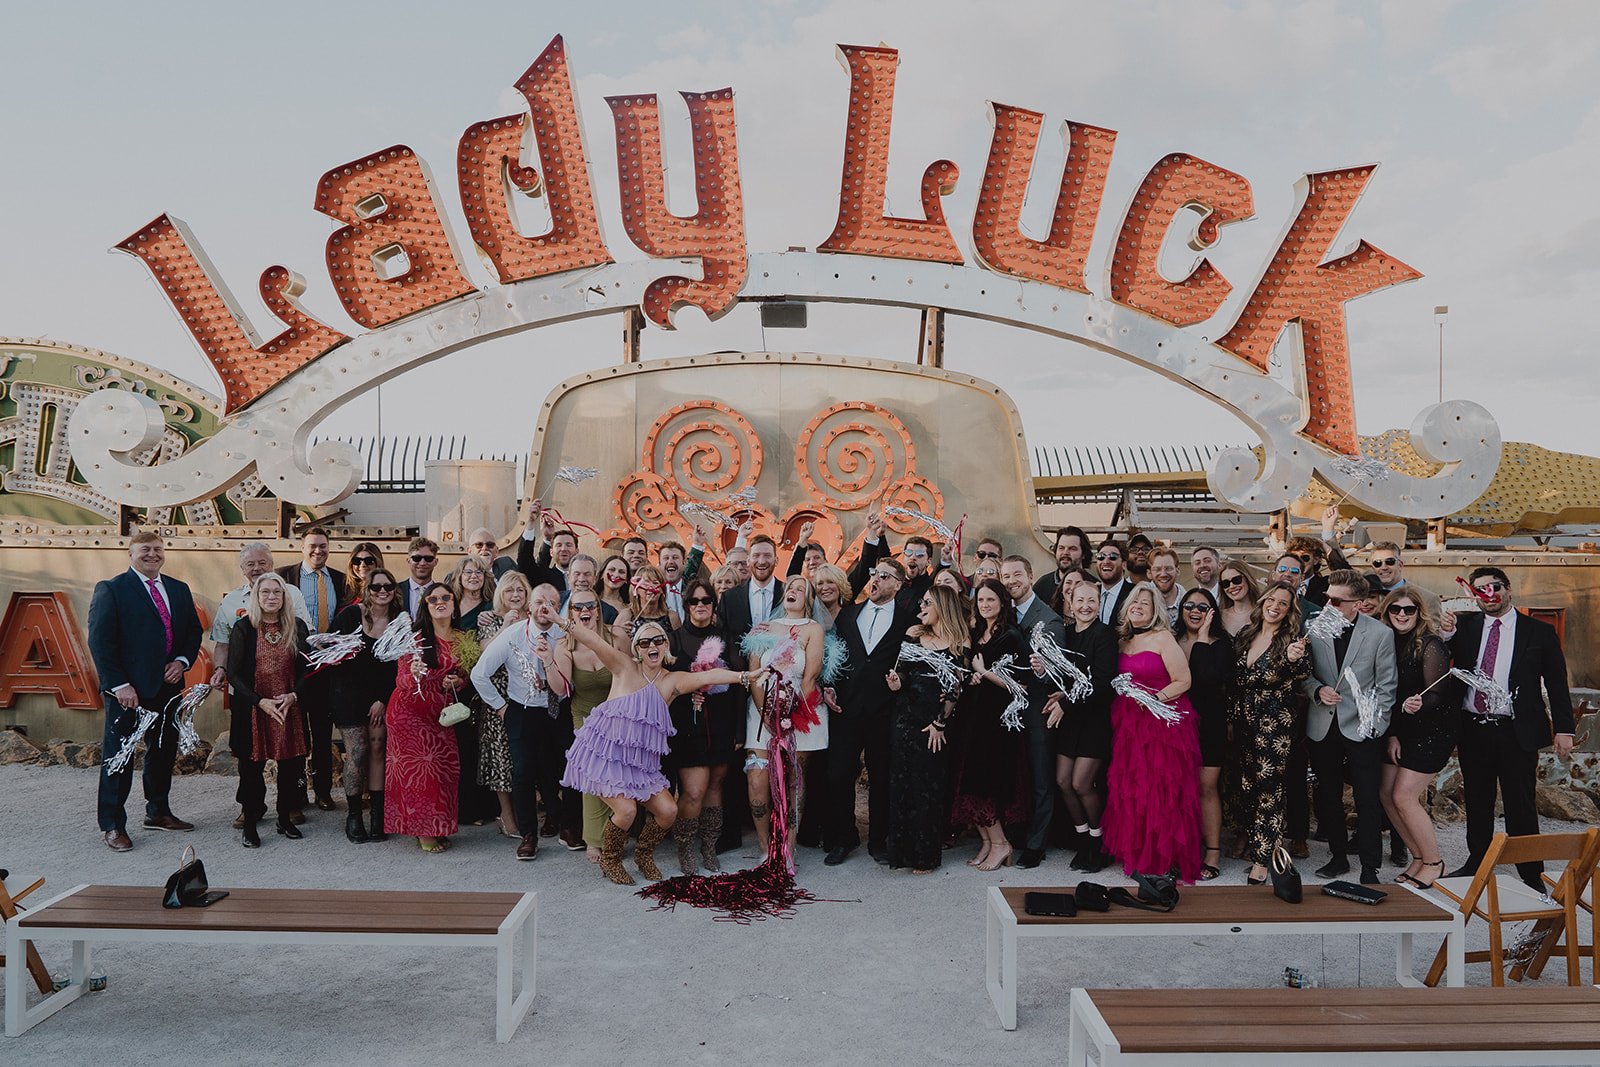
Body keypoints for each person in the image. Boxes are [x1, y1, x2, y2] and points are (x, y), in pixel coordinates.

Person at [562, 619, 759, 885]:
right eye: (644, 642)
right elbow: (594, 641)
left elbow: (707, 676)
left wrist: (744, 677)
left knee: (667, 810)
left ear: (665, 645)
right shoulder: (624, 668)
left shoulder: (672, 681)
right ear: (637, 649)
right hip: (605, 757)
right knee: (627, 811)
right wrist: (560, 621)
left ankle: (644, 855)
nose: (651, 645)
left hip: (641, 765)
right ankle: (611, 860)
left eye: (657, 640)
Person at [1446, 567, 1575, 887]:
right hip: (1473, 726)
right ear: (1473, 595)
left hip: (1515, 729)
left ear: (1509, 589)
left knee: (1521, 802)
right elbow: (1441, 660)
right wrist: (1446, 635)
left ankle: (1531, 871)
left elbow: (1557, 682)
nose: (1489, 594)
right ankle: (1478, 861)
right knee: (1477, 799)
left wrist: (1564, 729)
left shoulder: (1539, 632)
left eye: (1495, 587)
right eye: (1480, 589)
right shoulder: (1462, 627)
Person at [88, 530, 204, 852]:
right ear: (131, 553)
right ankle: (112, 825)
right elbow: (100, 642)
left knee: (163, 751)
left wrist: (181, 661)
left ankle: (158, 812)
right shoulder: (112, 589)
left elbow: (193, 632)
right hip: (128, 692)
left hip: (168, 687)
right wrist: (119, 684)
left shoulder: (178, 589)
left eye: (157, 549)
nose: (152, 554)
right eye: (145, 550)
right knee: (119, 757)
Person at [1302, 569, 1398, 884]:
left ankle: (1370, 867)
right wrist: (1317, 690)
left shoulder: (1380, 634)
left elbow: (1387, 686)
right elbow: (1303, 675)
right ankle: (1338, 857)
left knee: (1367, 798)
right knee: (1328, 796)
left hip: (1363, 727)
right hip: (1322, 724)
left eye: (1337, 600)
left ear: (1357, 604)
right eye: (1327, 597)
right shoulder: (1315, 628)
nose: (1328, 604)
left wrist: (1376, 726)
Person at [1101, 582, 1202, 882]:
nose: (1138, 606)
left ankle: (1165, 856)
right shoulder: (1122, 642)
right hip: (1129, 725)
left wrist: (1153, 701)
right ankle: (1139, 852)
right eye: (1134, 602)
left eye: (1146, 603)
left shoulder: (1163, 638)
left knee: (1163, 791)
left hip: (1163, 724)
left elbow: (1183, 681)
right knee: (1133, 790)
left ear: (1155, 609)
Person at [209, 541, 310, 828]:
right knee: (249, 760)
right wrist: (220, 669)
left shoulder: (292, 596)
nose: (257, 568)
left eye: (262, 563)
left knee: (292, 755)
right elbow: (224, 646)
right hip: (250, 698)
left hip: (287, 696)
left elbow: (305, 649)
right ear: (242, 569)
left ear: (272, 563)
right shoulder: (233, 607)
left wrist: (294, 694)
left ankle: (290, 807)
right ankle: (250, 808)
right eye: (250, 564)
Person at [824, 558, 915, 866]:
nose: (876, 579)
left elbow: (912, 664)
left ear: (897, 585)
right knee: (838, 775)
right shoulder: (848, 616)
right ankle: (845, 837)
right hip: (845, 709)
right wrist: (829, 686)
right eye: (875, 573)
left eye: (885, 576)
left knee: (881, 777)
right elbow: (834, 658)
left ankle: (878, 840)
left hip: (884, 712)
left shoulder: (908, 621)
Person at [470, 584, 566, 860]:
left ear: (558, 606)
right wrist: (500, 707)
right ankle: (528, 835)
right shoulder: (513, 635)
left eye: (551, 601)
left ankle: (557, 819)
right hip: (522, 710)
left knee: (556, 769)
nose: (544, 606)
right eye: (539, 601)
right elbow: (480, 674)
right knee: (523, 772)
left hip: (556, 708)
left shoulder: (563, 635)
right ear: (529, 607)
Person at [1228, 580, 1309, 884]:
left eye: (1283, 603)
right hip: (1244, 721)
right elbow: (1236, 681)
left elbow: (1303, 672)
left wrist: (1293, 658)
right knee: (1248, 786)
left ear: (1290, 610)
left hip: (1275, 724)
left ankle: (1265, 859)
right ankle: (1256, 841)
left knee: (1270, 790)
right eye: (1271, 600)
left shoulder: (1292, 639)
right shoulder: (1246, 635)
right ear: (1262, 602)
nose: (1275, 606)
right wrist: (1231, 719)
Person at [742, 575, 828, 859]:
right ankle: (766, 848)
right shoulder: (764, 627)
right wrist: (766, 712)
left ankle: (789, 847)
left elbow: (812, 674)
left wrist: (790, 712)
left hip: (800, 712)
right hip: (761, 712)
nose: (792, 591)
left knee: (795, 780)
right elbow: (754, 670)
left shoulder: (814, 629)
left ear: (809, 599)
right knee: (757, 777)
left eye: (800, 589)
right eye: (789, 588)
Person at [884, 585, 968, 873]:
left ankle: (924, 856)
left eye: (928, 602)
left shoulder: (959, 643)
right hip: (905, 720)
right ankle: (900, 854)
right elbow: (902, 673)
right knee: (902, 784)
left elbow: (956, 689)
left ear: (942, 606)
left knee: (928, 789)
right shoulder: (913, 634)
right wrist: (896, 682)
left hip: (935, 725)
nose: (922, 606)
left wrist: (939, 723)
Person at [1379, 590, 1457, 889]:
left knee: (1403, 796)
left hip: (1432, 729)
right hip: (1400, 728)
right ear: (1386, 613)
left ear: (1418, 612)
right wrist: (1393, 732)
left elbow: (1438, 692)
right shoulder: (1386, 643)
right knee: (1385, 793)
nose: (1402, 615)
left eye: (1408, 610)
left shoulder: (1430, 643)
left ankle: (1435, 862)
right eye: (1395, 609)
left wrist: (1420, 704)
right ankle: (1418, 857)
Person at [948, 579, 1027, 871]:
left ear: (1002, 602)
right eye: (981, 600)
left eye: (991, 600)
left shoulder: (1012, 636)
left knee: (985, 784)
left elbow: (1022, 685)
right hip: (972, 717)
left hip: (997, 721)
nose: (985, 606)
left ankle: (1002, 844)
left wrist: (985, 672)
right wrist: (974, 676)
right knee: (967, 782)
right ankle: (988, 843)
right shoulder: (976, 632)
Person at [385, 581, 469, 853]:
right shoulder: (415, 639)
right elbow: (401, 680)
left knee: (445, 770)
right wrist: (416, 674)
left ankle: (438, 826)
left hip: (442, 715)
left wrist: (456, 681)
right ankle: (424, 832)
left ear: (455, 604)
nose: (440, 602)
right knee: (422, 775)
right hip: (409, 714)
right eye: (433, 599)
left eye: (446, 598)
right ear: (425, 606)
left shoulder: (462, 638)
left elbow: (465, 678)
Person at [1043, 580, 1120, 872]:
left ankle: (1099, 843)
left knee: (1081, 783)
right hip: (1071, 719)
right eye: (1080, 601)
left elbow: (1101, 681)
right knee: (1063, 782)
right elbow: (1067, 677)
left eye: (1091, 600)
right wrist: (1052, 681)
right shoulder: (1067, 634)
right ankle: (1083, 840)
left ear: (1099, 604)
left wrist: (1066, 703)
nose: (1085, 606)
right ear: (1070, 604)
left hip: (1094, 720)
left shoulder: (1105, 635)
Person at [666, 579, 741, 873]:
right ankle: (685, 845)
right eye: (694, 601)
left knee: (715, 785)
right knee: (694, 791)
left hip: (721, 723)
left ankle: (709, 845)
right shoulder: (673, 639)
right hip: (687, 726)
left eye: (706, 601)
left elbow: (738, 686)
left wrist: (738, 731)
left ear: (713, 605)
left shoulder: (727, 638)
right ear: (686, 606)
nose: (700, 606)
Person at [325, 565, 402, 842]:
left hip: (382, 697)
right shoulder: (349, 616)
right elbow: (333, 654)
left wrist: (382, 699)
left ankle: (378, 815)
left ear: (394, 591)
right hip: (348, 694)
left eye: (388, 587)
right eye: (376, 587)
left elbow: (399, 666)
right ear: (367, 590)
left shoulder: (399, 622)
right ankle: (354, 814)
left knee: (378, 749)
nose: (382, 592)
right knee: (357, 752)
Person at [999, 554, 1065, 869]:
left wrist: (1042, 671)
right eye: (1005, 576)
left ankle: (1037, 843)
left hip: (1037, 708)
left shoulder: (1048, 619)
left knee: (1040, 778)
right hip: (1004, 708)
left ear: (1029, 576)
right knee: (1013, 776)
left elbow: (1057, 674)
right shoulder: (1000, 613)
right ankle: (1013, 833)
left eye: (1016, 575)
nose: (1011, 581)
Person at [277, 528, 347, 813]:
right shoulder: (284, 577)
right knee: (295, 734)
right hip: (294, 665)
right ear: (301, 547)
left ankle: (323, 792)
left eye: (323, 546)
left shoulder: (341, 580)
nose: (318, 551)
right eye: (312, 546)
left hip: (328, 667)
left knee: (321, 733)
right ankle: (295, 796)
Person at [545, 588, 611, 860]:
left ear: (598, 609)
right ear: (570, 612)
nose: (585, 610)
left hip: (616, 715)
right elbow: (561, 688)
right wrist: (548, 661)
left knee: (619, 775)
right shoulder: (565, 645)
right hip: (584, 717)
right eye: (578, 606)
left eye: (591, 605)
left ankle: (618, 830)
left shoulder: (616, 637)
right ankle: (594, 839)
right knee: (594, 778)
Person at [1174, 587, 1233, 880]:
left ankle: (1212, 852)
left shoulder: (1221, 644)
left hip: (1209, 723)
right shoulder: (1172, 640)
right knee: (1179, 789)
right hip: (1175, 724)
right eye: (1189, 606)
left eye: (1202, 607)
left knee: (1206, 787)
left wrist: (1201, 639)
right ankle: (1183, 848)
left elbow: (1207, 677)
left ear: (1212, 612)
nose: (1194, 611)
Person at [473, 571, 530, 840]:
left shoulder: (534, 621)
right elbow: (485, 655)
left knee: (525, 761)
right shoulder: (490, 622)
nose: (515, 595)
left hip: (530, 700)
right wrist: (506, 627)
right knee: (501, 761)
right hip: (499, 702)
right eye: (509, 591)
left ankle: (527, 811)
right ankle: (506, 815)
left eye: (520, 590)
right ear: (500, 595)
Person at [448, 555, 501, 826]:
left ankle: (480, 808)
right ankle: (455, 807)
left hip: (479, 683)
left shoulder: (490, 608)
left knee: (477, 746)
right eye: (468, 572)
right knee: (455, 746)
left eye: (479, 572)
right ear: (458, 577)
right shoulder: (450, 606)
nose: (473, 576)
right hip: (451, 684)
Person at [1368, 541, 1442, 616]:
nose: (1384, 567)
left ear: (1400, 565)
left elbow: (1433, 627)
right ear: (1372, 568)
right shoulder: (1363, 596)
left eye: (1390, 561)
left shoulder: (1427, 599)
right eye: (1377, 563)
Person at [616, 562, 680, 642]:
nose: (651, 587)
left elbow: (680, 646)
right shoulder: (626, 615)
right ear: (636, 590)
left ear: (661, 591)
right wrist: (621, 633)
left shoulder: (672, 617)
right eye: (645, 583)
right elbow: (613, 644)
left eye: (655, 583)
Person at [1032, 526, 1091, 605]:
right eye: (1061, 548)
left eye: (1072, 549)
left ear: (1084, 554)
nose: (1065, 552)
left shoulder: (1093, 585)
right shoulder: (1042, 585)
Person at [1094, 539, 1133, 625]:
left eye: (1113, 557)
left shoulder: (1135, 593)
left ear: (1124, 564)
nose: (1106, 561)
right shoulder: (1091, 592)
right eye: (1101, 557)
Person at [400, 536, 439, 615]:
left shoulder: (442, 593)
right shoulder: (396, 590)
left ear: (435, 562)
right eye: (416, 558)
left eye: (428, 558)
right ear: (408, 561)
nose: (422, 563)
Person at [1217, 561, 1257, 637]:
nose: (1231, 586)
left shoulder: (1263, 613)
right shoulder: (1218, 616)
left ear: (1247, 578)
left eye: (1236, 580)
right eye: (1225, 583)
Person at [1148, 547, 1185, 625]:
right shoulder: (1138, 599)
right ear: (1149, 573)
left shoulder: (1188, 600)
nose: (1163, 574)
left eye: (1168, 568)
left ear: (1177, 571)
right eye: (1157, 569)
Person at [343, 542, 385, 609]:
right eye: (357, 561)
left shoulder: (385, 590)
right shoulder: (345, 589)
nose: (362, 565)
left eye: (369, 560)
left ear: (378, 563)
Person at [598, 554, 632, 622]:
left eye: (621, 572)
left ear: (626, 579)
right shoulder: (591, 599)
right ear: (602, 574)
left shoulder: (630, 606)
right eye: (612, 570)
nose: (616, 575)